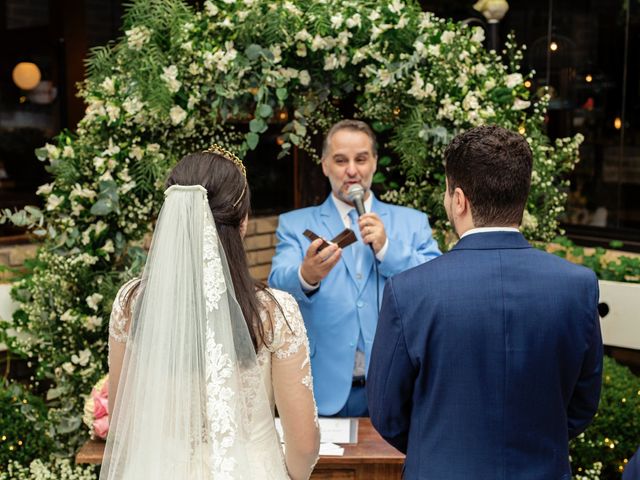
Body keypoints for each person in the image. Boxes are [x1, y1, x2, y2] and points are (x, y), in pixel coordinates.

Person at [367, 125, 603, 479]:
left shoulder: (410, 290)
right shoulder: (577, 286)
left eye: (447, 194)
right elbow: (583, 404)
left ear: (459, 199)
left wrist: (440, 447)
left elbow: (387, 412)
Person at [102, 147, 320, 480]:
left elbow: (122, 419)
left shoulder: (130, 304)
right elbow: (303, 444)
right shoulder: (273, 312)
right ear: (242, 222)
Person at [268, 120, 441, 417]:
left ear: (374, 162)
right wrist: (307, 275)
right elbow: (277, 284)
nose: (352, 170)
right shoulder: (295, 224)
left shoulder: (413, 223)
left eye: (360, 159)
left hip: (396, 389)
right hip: (322, 389)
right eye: (340, 160)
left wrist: (388, 249)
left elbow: (437, 284)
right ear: (324, 166)